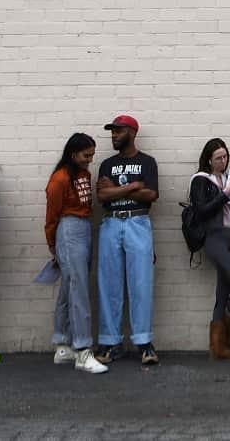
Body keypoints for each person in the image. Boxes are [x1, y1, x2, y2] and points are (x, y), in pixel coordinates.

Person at [94, 114, 161, 366]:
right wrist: (133, 187)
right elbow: (102, 195)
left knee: (140, 283)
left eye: (118, 131)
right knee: (109, 283)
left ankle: (144, 342)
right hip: (111, 222)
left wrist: (116, 190)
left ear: (132, 133)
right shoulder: (106, 164)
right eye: (112, 131)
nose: (113, 135)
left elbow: (152, 194)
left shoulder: (147, 162)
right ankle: (111, 342)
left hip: (138, 221)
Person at [44, 132, 108, 374]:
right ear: (73, 154)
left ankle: (62, 344)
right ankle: (82, 350)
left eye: (91, 155)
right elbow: (52, 215)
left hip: (83, 227)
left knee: (70, 286)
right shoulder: (60, 179)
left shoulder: (84, 174)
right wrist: (52, 243)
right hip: (68, 229)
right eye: (85, 155)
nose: (89, 159)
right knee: (79, 288)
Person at [187, 138, 230, 361]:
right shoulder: (201, 180)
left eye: (225, 157)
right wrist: (224, 194)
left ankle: (219, 347)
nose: (223, 161)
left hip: (228, 236)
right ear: (209, 160)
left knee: (222, 293)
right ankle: (223, 344)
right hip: (213, 238)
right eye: (218, 158)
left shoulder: (226, 178)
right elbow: (201, 211)